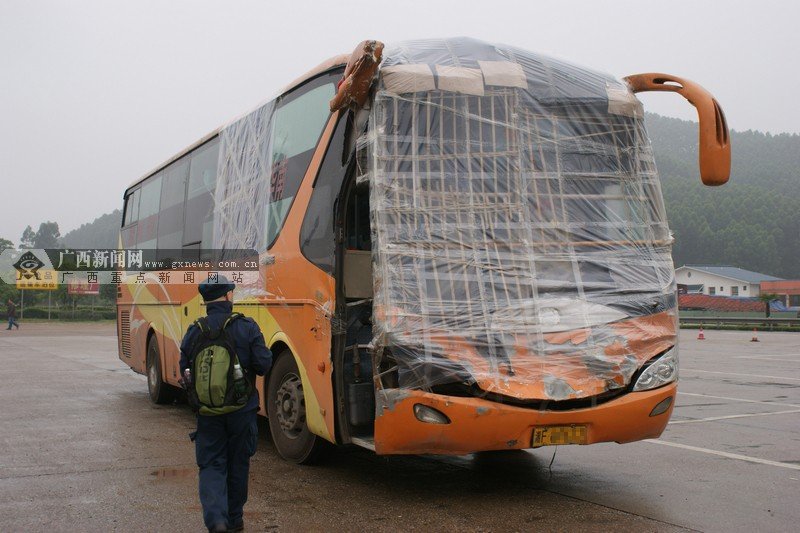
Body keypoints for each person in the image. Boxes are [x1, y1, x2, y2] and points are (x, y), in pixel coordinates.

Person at [180, 275, 272, 533]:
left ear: (206, 300)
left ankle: (217, 521)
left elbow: (184, 371)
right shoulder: (247, 327)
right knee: (238, 464)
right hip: (242, 412)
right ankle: (235, 520)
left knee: (211, 465)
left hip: (207, 414)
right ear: (228, 296)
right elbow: (264, 366)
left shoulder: (194, 330)